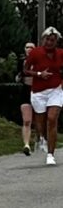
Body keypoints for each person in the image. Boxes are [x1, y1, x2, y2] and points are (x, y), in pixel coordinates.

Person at [24, 28, 63, 165]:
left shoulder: (60, 53)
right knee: (40, 123)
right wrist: (39, 74)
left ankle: (50, 154)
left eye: (52, 40)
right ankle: (42, 137)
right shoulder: (35, 53)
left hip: (55, 90)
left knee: (52, 119)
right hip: (38, 92)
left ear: (56, 41)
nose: (49, 42)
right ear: (43, 40)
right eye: (47, 39)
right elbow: (26, 69)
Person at [19, 41, 36, 155]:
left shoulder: (41, 61)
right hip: (26, 92)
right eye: (27, 47)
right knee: (26, 120)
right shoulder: (21, 62)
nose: (29, 49)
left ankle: (42, 140)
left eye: (31, 47)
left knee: (41, 119)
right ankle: (26, 145)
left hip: (39, 92)